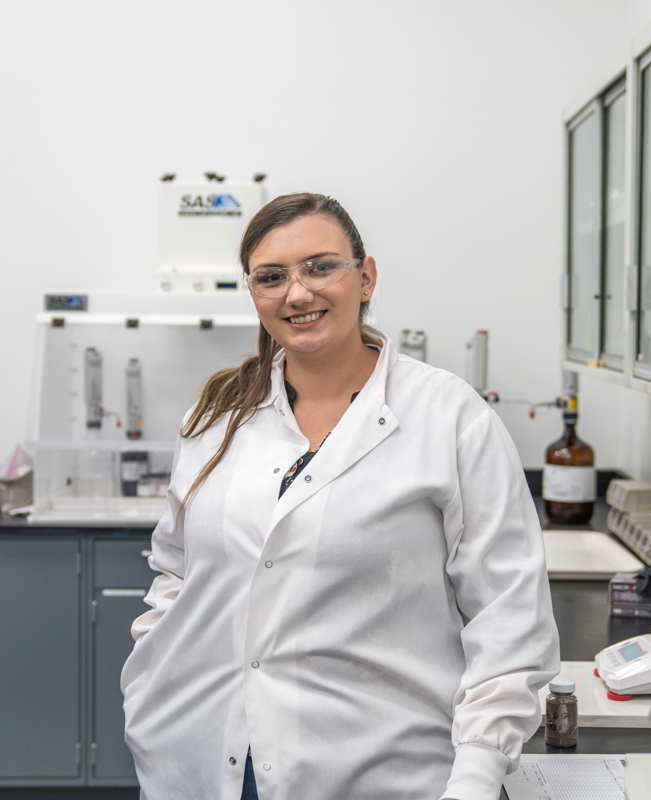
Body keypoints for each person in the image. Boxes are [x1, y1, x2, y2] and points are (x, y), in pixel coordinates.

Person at [121, 193, 560, 800]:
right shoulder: (218, 414)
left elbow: (510, 621)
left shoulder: (448, 417)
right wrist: (148, 681)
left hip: (384, 770)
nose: (297, 293)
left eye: (321, 267)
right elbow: (175, 570)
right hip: (200, 759)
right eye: (271, 277)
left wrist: (478, 776)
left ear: (365, 278)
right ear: (253, 294)